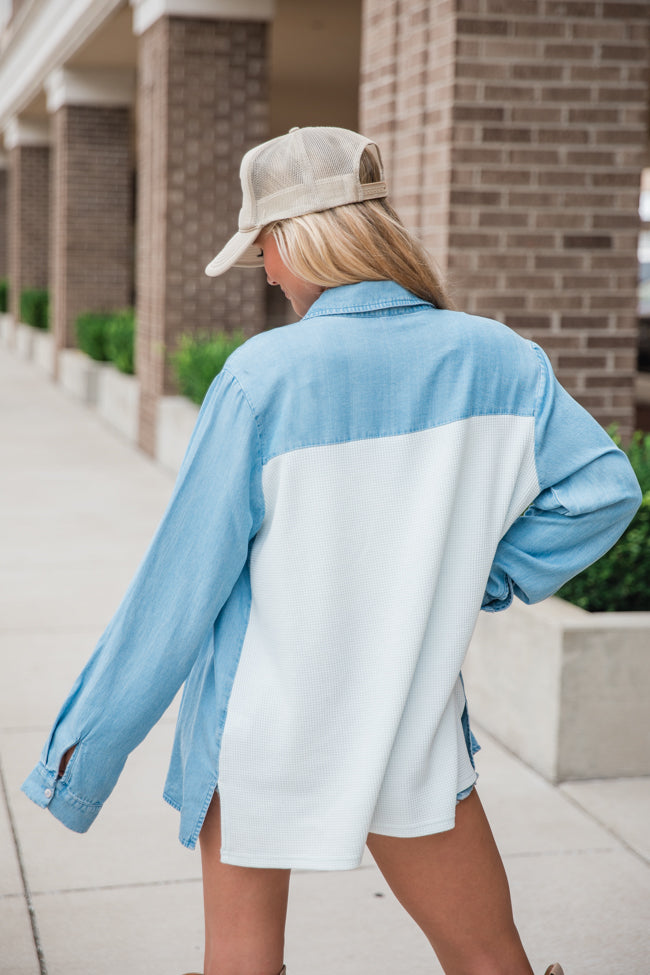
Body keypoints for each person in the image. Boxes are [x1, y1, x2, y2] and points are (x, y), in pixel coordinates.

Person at [23, 127, 641, 975]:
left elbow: (173, 599)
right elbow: (605, 493)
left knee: (241, 965)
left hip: (258, 734)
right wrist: (483, 578)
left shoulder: (259, 380)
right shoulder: (503, 360)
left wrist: (77, 759)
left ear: (290, 238)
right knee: (492, 963)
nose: (270, 277)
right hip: (410, 726)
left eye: (263, 252)